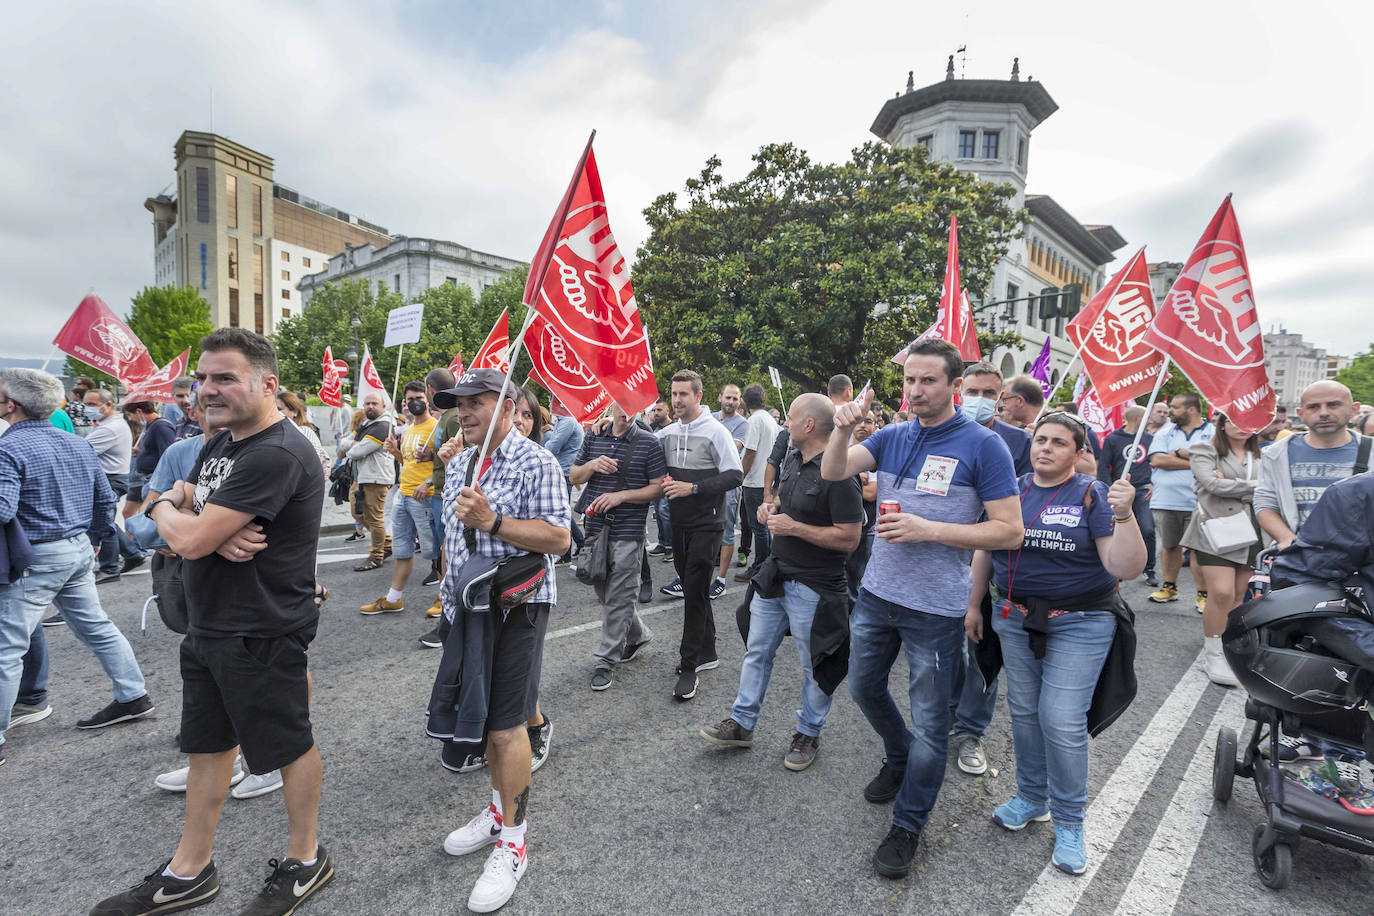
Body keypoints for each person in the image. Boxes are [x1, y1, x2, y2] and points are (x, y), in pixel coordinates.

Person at [94, 329, 332, 916]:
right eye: (203, 378)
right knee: (207, 746)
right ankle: (189, 870)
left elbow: (185, 522)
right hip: (210, 623)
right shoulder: (223, 442)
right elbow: (194, 511)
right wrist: (198, 525)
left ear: (267, 384)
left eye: (224, 377)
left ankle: (306, 860)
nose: (207, 390)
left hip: (262, 626)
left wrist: (168, 512)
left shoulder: (277, 450)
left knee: (287, 744)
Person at [822, 338, 1022, 880]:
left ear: (954, 386)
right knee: (863, 688)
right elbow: (833, 472)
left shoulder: (984, 446)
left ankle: (908, 824)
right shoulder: (892, 435)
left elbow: (1010, 528)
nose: (915, 390)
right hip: (879, 593)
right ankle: (900, 754)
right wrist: (841, 428)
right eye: (909, 380)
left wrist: (929, 528)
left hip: (936, 609)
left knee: (935, 725)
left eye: (927, 381)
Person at [966, 410, 1144, 876]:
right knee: (1023, 711)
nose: (1045, 447)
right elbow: (986, 547)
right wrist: (973, 605)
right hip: (1012, 615)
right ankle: (1030, 797)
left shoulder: (1094, 494)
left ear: (1079, 453)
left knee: (1060, 720)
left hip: (1080, 621)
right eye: (1040, 439)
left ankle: (1069, 822)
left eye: (1058, 442)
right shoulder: (1011, 489)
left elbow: (1125, 568)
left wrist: (1125, 516)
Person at [426, 368, 570, 914]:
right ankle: (496, 809)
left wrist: (494, 519)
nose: (463, 412)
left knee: (508, 727)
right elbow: (451, 541)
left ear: (510, 408)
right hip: (467, 608)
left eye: (477, 402)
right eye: (458, 404)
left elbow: (559, 537)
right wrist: (446, 593)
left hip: (518, 608)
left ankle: (514, 841)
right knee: (482, 716)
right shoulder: (460, 460)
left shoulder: (538, 461)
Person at [0, 369, 155, 769]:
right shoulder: (77, 443)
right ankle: (132, 694)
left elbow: (2, 509)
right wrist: (96, 537)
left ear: (11, 404)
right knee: (97, 627)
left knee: (7, 648)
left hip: (35, 556)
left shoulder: (9, 450)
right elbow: (105, 499)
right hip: (76, 548)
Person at [700, 394, 861, 771]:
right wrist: (771, 508)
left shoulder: (839, 475)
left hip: (816, 587)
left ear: (809, 425)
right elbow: (787, 508)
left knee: (814, 663)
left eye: (790, 418)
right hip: (776, 574)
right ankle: (742, 723)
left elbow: (850, 540)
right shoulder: (792, 457)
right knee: (757, 650)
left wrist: (795, 527)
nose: (784, 423)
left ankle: (809, 731)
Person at [948, 362, 1035, 777]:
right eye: (973, 391)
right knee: (937, 650)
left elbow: (1024, 504)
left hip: (991, 564)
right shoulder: (934, 432)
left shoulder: (1020, 442)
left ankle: (971, 731)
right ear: (958, 389)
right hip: (939, 561)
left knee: (982, 651)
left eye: (989, 393)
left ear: (1000, 398)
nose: (979, 400)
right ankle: (941, 718)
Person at [656, 369, 743, 701]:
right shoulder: (668, 432)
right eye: (674, 394)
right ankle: (708, 651)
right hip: (678, 525)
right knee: (694, 589)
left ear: (698, 397)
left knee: (693, 591)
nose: (677, 400)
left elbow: (734, 475)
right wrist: (610, 424)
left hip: (708, 524)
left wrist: (693, 488)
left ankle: (689, 664)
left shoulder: (716, 431)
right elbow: (642, 443)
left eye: (683, 395)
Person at [571, 402, 668, 691]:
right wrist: (592, 465)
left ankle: (605, 660)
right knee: (603, 589)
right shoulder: (594, 435)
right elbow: (574, 476)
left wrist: (622, 496)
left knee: (619, 595)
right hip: (595, 527)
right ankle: (638, 635)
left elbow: (659, 487)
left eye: (632, 405)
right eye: (620, 405)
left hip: (629, 529)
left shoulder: (648, 441)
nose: (626, 411)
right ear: (611, 405)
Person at [1179, 413, 1261, 687]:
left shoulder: (1264, 454)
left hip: (1253, 530)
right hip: (1215, 529)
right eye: (1234, 420)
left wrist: (1233, 486)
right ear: (1222, 423)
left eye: (1247, 420)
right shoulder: (1205, 449)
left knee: (1238, 596)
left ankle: (1228, 647)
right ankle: (1212, 653)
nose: (1241, 426)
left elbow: (1269, 490)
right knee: (1221, 592)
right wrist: (1252, 487)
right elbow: (1212, 485)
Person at [1255, 380, 1368, 550]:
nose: (1323, 413)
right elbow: (1265, 503)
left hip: (1363, 563)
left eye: (1333, 405)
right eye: (1313, 407)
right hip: (1302, 561)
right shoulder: (1277, 454)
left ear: (1354, 409)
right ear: (1300, 413)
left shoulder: (1371, 451)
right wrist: (1288, 540)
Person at [359, 381, 438, 617]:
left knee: (436, 552)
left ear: (427, 400)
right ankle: (393, 599)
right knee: (402, 549)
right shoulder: (409, 429)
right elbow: (410, 463)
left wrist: (429, 483)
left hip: (425, 499)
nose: (414, 402)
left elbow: (447, 464)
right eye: (409, 399)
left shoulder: (436, 427)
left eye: (419, 398)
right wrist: (395, 451)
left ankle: (445, 597)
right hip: (403, 496)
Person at [1146, 392, 1213, 610]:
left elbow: (1215, 461)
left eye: (1175, 407)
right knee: (1169, 545)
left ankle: (1203, 594)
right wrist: (1195, 461)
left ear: (1191, 409)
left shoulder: (1213, 432)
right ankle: (1169, 587)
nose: (1170, 411)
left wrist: (1178, 455)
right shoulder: (1165, 432)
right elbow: (1158, 459)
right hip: (1166, 500)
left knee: (1199, 549)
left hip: (1201, 500)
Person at [82, 387, 147, 584]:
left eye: (92, 404)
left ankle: (109, 568)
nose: (87, 409)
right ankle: (132, 553)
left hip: (110, 478)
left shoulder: (109, 428)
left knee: (102, 521)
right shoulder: (110, 424)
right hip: (112, 476)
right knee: (106, 519)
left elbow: (81, 450)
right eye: (85, 404)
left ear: (108, 405)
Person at [414, 368, 459, 616]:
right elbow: (444, 456)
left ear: (430, 389)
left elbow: (461, 457)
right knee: (442, 548)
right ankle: (444, 594)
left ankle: (446, 598)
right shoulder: (444, 417)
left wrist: (429, 483)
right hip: (439, 492)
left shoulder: (453, 418)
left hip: (445, 493)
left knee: (447, 549)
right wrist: (430, 456)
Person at [1100, 405, 1157, 586]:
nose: (1150, 421)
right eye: (1147, 418)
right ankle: (1115, 568)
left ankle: (1149, 569)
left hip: (1142, 492)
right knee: (1114, 530)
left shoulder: (1150, 438)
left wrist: (1154, 483)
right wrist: (1109, 489)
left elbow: (1156, 463)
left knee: (1147, 529)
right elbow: (1103, 467)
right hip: (1119, 491)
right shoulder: (1113, 438)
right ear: (1138, 419)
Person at [346, 391, 396, 571]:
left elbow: (355, 452)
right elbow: (346, 443)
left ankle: (376, 556)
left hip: (376, 478)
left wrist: (352, 446)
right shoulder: (367, 425)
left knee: (374, 519)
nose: (370, 406)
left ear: (384, 406)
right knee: (358, 514)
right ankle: (388, 545)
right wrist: (351, 445)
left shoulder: (383, 426)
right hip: (361, 477)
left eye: (374, 403)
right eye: (367, 403)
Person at [739, 383, 781, 578]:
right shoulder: (770, 420)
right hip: (767, 480)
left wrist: (740, 476)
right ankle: (769, 563)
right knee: (764, 526)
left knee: (759, 527)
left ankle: (760, 566)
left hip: (755, 480)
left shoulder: (754, 420)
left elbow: (750, 452)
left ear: (745, 402)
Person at [712, 384, 748, 597]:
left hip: (728, 486)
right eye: (728, 398)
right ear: (720, 398)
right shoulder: (710, 418)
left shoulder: (743, 424)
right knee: (703, 528)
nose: (731, 402)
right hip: (706, 484)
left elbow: (731, 449)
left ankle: (721, 580)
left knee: (726, 532)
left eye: (735, 399)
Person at [543, 405, 585, 565]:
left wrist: (537, 447)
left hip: (564, 471)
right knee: (564, 511)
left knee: (562, 513)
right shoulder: (563, 421)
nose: (550, 402)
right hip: (564, 470)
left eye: (552, 398)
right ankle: (580, 543)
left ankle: (566, 554)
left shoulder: (567, 421)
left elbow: (553, 447)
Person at [276, 390, 331, 471]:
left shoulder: (305, 432)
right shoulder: (277, 431)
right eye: (273, 409)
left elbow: (311, 466)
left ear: (295, 411)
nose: (275, 412)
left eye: (279, 409)